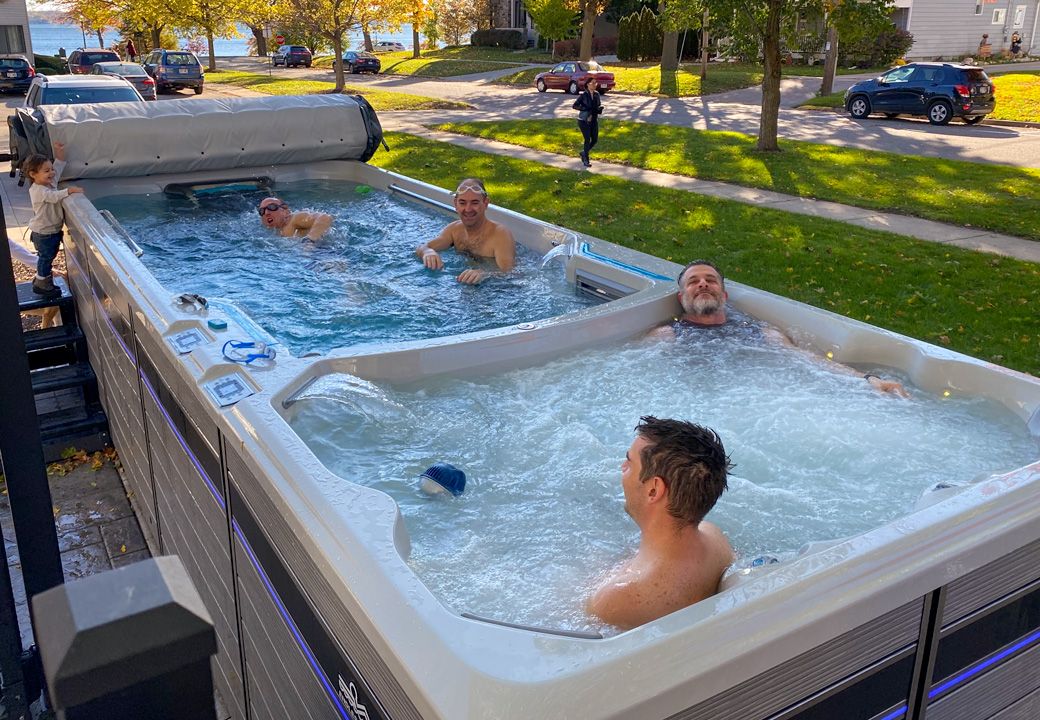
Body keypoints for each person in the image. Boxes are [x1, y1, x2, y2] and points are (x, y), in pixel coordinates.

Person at [651, 260, 909, 396]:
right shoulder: (668, 335)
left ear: (725, 296)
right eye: (693, 282)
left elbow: (810, 361)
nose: (703, 284)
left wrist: (868, 380)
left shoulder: (760, 332)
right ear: (681, 298)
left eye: (711, 280)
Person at [587, 416, 734, 630]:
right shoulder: (715, 541)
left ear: (653, 489)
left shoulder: (618, 599)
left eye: (629, 463)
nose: (622, 467)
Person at [415, 178, 516, 285]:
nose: (468, 209)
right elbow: (422, 247)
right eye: (462, 203)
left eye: (474, 203)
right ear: (455, 204)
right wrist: (427, 252)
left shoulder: (500, 235)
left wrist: (485, 274)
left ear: (485, 203)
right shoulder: (454, 229)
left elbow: (509, 273)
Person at [25, 143, 83, 300]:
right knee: (46, 257)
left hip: (50, 231)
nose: (51, 173)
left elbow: (59, 165)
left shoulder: (48, 182)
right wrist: (69, 190)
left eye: (51, 169)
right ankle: (41, 283)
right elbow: (53, 196)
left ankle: (42, 278)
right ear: (33, 174)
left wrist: (59, 153)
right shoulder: (39, 190)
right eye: (46, 171)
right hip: (44, 233)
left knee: (48, 256)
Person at [257, 197, 332, 241]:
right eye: (262, 211)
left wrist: (309, 241)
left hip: (324, 253)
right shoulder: (272, 233)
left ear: (286, 211)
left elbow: (324, 217)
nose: (266, 213)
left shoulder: (294, 219)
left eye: (272, 207)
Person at [572, 77, 603, 168]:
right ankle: (586, 159)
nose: (595, 85)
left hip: (593, 120)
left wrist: (599, 110)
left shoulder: (597, 94)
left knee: (595, 139)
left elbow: (597, 106)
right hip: (584, 121)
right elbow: (575, 106)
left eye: (595, 83)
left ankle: (583, 153)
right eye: (593, 83)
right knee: (587, 139)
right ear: (588, 84)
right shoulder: (583, 95)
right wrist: (585, 109)